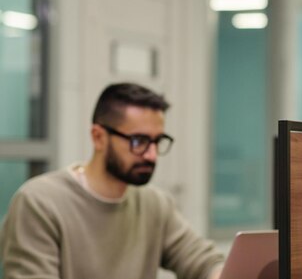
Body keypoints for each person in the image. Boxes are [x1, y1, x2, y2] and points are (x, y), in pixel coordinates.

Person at [0, 82, 224, 279]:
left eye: (158, 141)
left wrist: (220, 273)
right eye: (139, 141)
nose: (152, 154)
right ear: (98, 137)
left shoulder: (155, 204)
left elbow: (201, 260)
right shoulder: (40, 202)